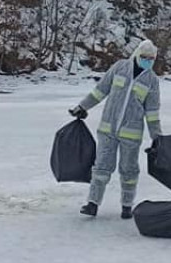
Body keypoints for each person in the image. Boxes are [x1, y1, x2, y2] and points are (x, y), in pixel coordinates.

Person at [69, 40, 162, 218]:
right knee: (102, 167)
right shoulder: (120, 68)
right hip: (108, 129)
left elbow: (152, 113)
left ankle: (127, 206)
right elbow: (100, 91)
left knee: (129, 170)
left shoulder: (152, 81)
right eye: (144, 57)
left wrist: (157, 138)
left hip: (131, 133)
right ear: (136, 54)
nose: (147, 61)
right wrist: (83, 107)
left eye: (151, 59)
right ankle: (92, 203)